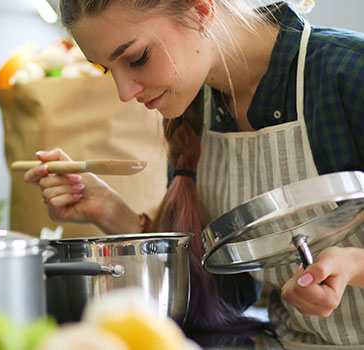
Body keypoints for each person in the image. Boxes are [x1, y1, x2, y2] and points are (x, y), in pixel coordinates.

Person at [23, 0, 364, 347]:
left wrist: (354, 264)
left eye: (137, 58)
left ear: (200, 11)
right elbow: (225, 292)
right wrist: (110, 212)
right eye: (108, 69)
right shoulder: (197, 110)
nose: (125, 93)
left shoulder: (350, 71)